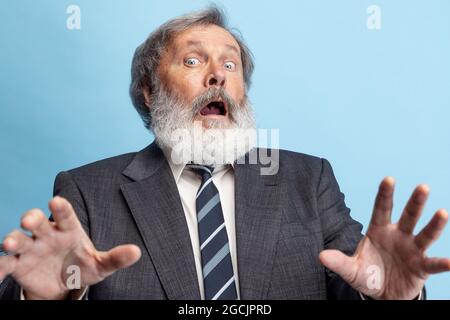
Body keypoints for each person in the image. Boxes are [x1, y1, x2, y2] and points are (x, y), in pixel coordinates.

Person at [0, 6, 448, 300]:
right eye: (193, 62)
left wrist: (385, 290)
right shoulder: (86, 189)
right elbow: (46, 278)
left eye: (229, 64)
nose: (217, 76)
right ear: (150, 92)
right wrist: (43, 297)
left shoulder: (308, 180)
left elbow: (357, 279)